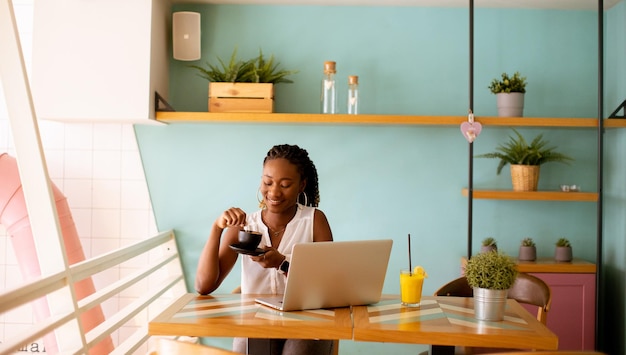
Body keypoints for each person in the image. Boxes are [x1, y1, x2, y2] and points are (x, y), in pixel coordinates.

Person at [195, 144, 334, 355]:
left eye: (285, 184)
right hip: (255, 320)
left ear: (301, 185)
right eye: (268, 182)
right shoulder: (243, 226)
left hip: (307, 318)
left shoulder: (315, 221)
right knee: (250, 348)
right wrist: (217, 227)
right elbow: (204, 286)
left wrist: (283, 263)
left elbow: (327, 287)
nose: (274, 192)